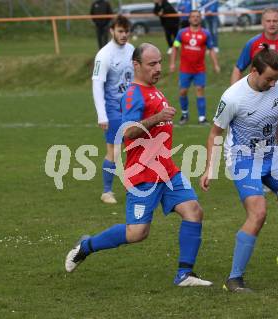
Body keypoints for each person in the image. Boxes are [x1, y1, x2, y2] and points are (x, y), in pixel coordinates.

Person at [65, 43, 213, 288]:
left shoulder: (153, 90)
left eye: (159, 63)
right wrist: (158, 118)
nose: (158, 68)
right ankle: (86, 246)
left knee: (194, 211)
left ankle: (185, 275)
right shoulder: (134, 93)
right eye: (152, 64)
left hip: (166, 170)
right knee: (137, 233)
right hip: (143, 174)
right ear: (136, 65)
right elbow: (128, 132)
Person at [200, 44, 278, 292]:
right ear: (254, 70)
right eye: (268, 79)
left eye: (276, 78)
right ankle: (234, 279)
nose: (273, 84)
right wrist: (208, 168)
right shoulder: (233, 97)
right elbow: (215, 133)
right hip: (243, 160)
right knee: (258, 214)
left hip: (272, 155)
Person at [230, 8, 278, 150]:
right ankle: (261, 166)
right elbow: (238, 68)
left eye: (275, 20)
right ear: (262, 22)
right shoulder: (253, 43)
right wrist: (234, 94)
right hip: (258, 98)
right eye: (268, 21)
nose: (272, 24)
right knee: (260, 136)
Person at [92, 15, 135, 204]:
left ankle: (134, 185)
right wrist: (102, 115)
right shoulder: (104, 55)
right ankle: (107, 192)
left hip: (131, 107)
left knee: (136, 147)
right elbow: (97, 85)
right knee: (115, 150)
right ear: (112, 31)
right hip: (113, 109)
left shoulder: (132, 50)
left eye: (126, 31)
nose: (124, 35)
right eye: (120, 31)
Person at [169, 10, 220, 125]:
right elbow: (175, 47)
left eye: (197, 16)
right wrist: (172, 63)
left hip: (199, 70)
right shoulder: (182, 33)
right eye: (193, 16)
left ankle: (202, 118)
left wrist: (215, 64)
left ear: (200, 18)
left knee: (200, 91)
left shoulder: (205, 34)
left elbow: (211, 49)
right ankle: (185, 114)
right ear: (189, 19)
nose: (195, 18)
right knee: (183, 92)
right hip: (185, 69)